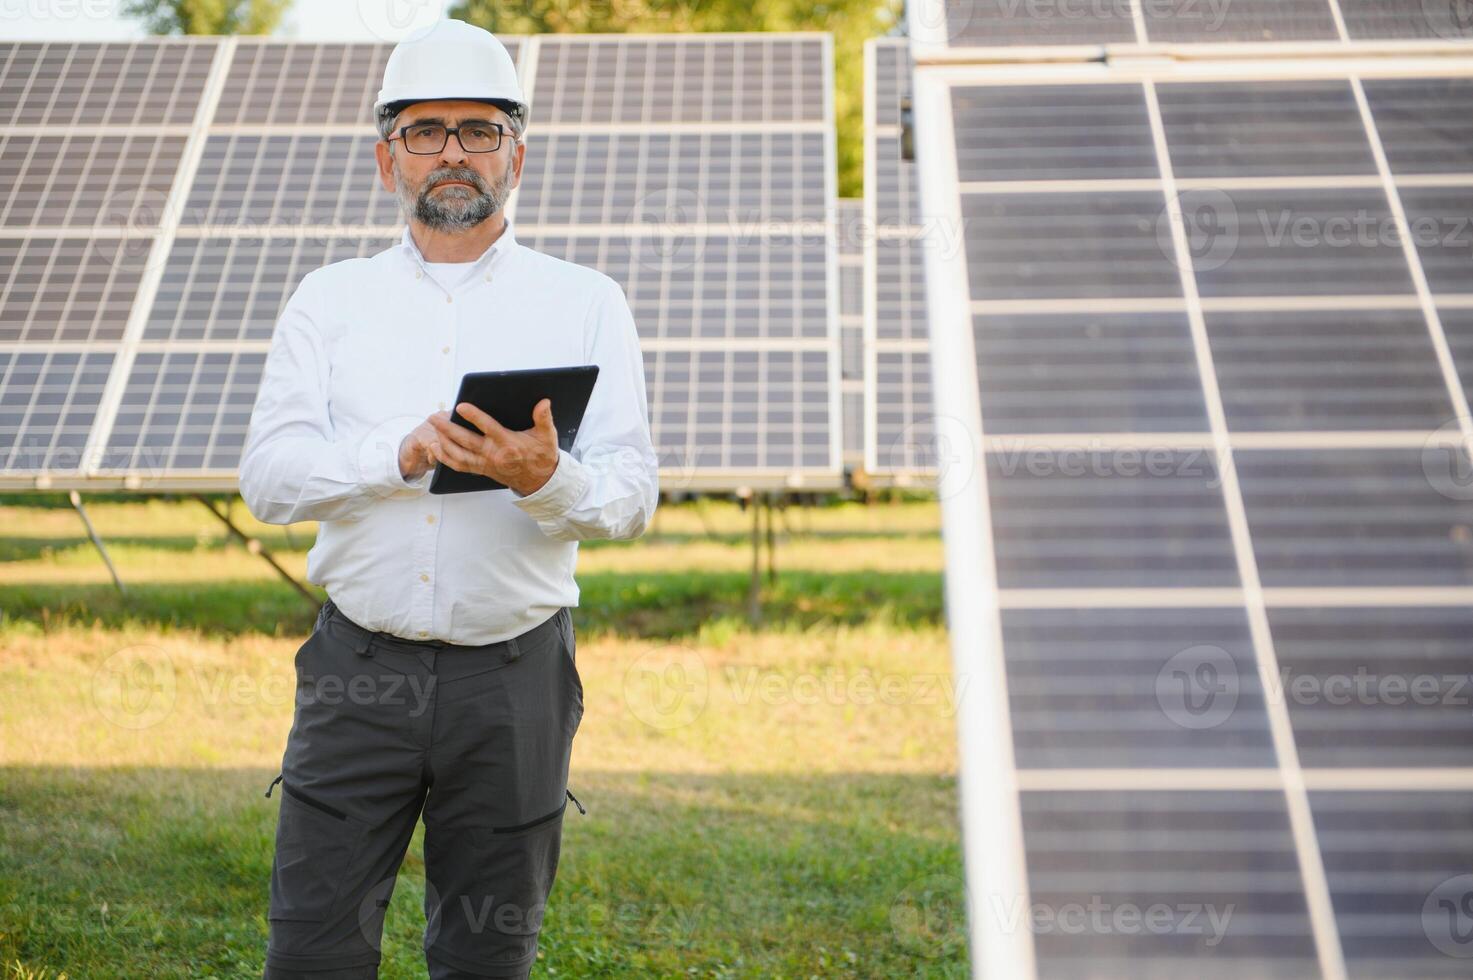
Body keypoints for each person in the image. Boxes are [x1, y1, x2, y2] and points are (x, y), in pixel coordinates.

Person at [238, 18, 660, 979]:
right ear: (388, 155)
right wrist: (393, 453)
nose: (453, 153)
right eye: (426, 130)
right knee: (312, 948)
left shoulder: (586, 300)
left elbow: (632, 496)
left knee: (486, 954)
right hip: (357, 671)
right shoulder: (328, 300)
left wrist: (544, 479)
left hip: (513, 682)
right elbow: (267, 478)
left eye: (479, 129)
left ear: (518, 151)